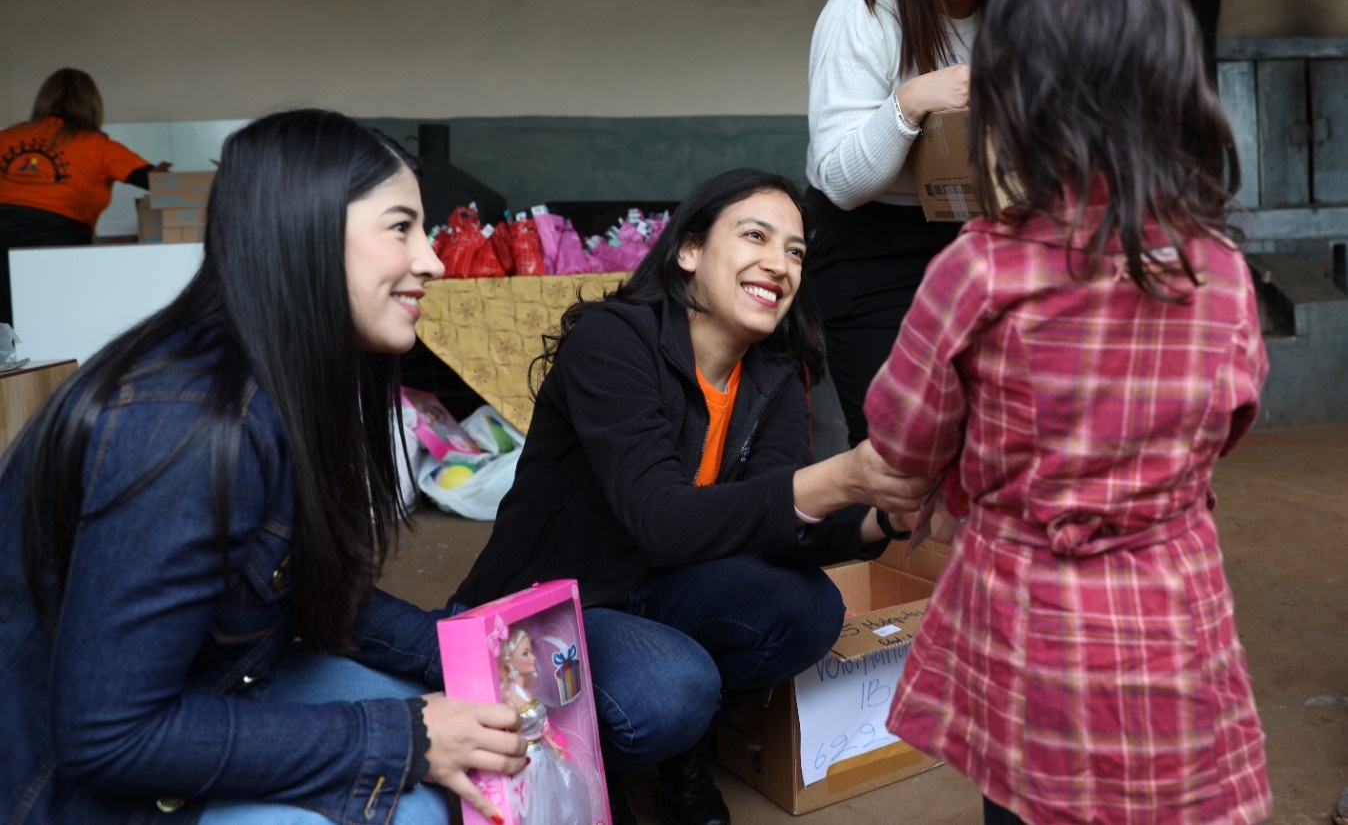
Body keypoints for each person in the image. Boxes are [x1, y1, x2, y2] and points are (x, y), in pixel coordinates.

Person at [0, 109, 528, 824]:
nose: (432, 260)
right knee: (414, 795)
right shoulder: (182, 425)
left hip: (218, 683)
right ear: (302, 231)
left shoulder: (288, 381)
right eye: (401, 227)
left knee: (467, 734)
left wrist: (466, 657)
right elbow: (109, 734)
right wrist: (405, 736)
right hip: (69, 785)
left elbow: (306, 585)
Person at [863, 0, 1273, 825]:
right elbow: (1229, 423)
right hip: (1173, 609)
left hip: (1027, 621)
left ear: (1010, 102)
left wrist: (947, 482)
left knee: (1025, 802)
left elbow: (901, 437)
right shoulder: (1222, 271)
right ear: (1173, 87)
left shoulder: (979, 269)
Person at [451, 168, 929, 825]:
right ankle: (598, 757)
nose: (781, 264)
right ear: (689, 251)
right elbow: (662, 520)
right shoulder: (614, 341)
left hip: (665, 590)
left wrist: (884, 514)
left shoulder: (776, 375)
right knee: (672, 690)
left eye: (795, 251)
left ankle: (682, 748)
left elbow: (780, 523)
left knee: (808, 609)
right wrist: (842, 476)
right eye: (755, 236)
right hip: (561, 600)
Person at [805, 0, 1024, 447]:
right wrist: (911, 101)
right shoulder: (864, 9)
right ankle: (896, 546)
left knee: (994, 443)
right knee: (897, 452)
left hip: (982, 241)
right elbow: (842, 183)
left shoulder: (1026, 9)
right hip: (869, 245)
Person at [0, 68, 169, 325]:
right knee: (52, 325)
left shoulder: (7, 138)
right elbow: (159, 183)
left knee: (5, 335)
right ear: (92, 103)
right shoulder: (98, 146)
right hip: (56, 243)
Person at [496, 627, 593, 824]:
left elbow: (537, 728)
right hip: (527, 762)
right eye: (525, 653)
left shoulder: (526, 693)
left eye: (531, 651)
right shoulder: (511, 699)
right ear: (509, 663)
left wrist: (552, 743)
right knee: (536, 808)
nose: (532, 657)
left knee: (560, 796)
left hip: (544, 755)